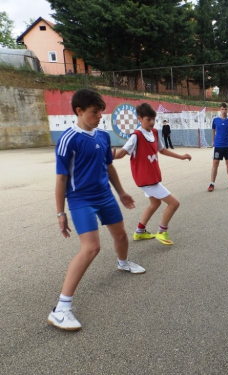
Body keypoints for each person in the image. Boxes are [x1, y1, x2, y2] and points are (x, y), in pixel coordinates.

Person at [48, 89, 145, 331]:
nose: (100, 116)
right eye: (94, 112)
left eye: (101, 111)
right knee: (91, 248)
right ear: (79, 111)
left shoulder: (102, 136)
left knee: (121, 235)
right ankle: (60, 309)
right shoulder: (68, 139)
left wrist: (121, 192)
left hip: (105, 195)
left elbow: (109, 167)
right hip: (81, 199)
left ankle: (123, 263)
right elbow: (61, 180)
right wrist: (61, 213)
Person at [114, 103, 191, 246]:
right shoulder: (136, 136)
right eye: (148, 119)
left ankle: (139, 232)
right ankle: (162, 232)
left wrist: (180, 156)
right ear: (139, 118)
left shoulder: (154, 132)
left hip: (152, 177)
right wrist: (110, 155)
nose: (151, 122)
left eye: (153, 119)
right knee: (174, 203)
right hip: (146, 179)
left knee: (154, 203)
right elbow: (123, 153)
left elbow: (161, 150)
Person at [208, 102, 228, 192]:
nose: (224, 111)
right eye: (222, 109)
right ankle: (212, 184)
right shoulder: (215, 120)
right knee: (215, 164)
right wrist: (213, 141)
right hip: (218, 145)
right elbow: (213, 130)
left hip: (227, 145)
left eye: (225, 109)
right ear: (220, 109)